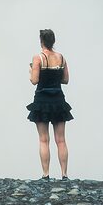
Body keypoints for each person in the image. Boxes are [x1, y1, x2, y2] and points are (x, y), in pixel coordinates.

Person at [26, 28, 73, 179]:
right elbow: (65, 80)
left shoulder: (38, 58)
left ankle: (46, 174)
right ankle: (64, 174)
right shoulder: (61, 58)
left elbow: (34, 80)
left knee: (44, 139)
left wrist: (31, 71)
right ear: (53, 41)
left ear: (41, 41)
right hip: (58, 99)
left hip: (42, 100)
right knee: (61, 140)